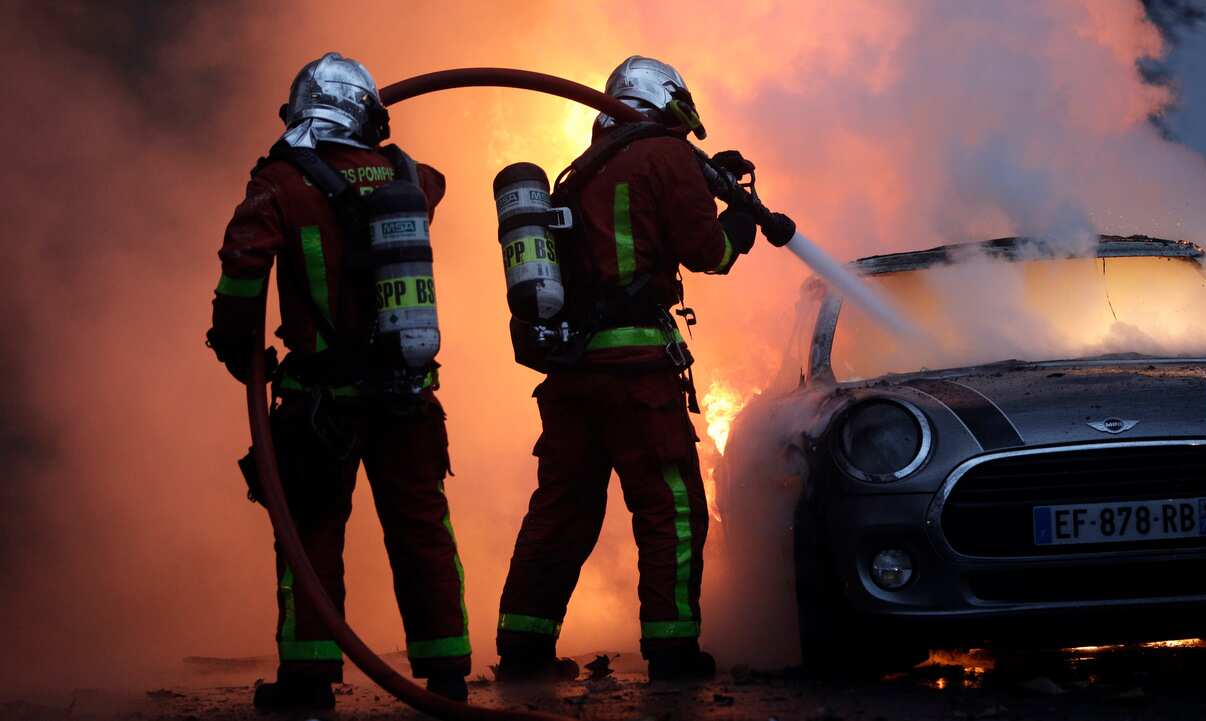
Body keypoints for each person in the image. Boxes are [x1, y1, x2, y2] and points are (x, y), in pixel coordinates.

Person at [495, 55, 782, 682]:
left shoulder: (579, 173)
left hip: (572, 374)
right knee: (670, 505)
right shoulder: (665, 154)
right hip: (636, 374)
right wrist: (739, 219)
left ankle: (523, 648)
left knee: (563, 508)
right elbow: (709, 253)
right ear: (669, 98)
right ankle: (673, 651)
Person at [206, 52, 470, 708]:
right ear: (366, 113)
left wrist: (239, 347)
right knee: (422, 529)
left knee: (313, 528)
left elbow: (244, 262)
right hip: (408, 396)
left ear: (302, 112)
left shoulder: (282, 180)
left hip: (321, 400)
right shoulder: (407, 175)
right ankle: (447, 674)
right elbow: (434, 182)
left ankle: (309, 679)